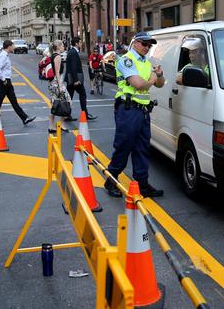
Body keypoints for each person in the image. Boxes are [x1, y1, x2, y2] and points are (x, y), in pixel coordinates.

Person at [104, 32, 165, 198]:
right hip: (128, 110)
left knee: (142, 148)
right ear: (136, 43)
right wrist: (153, 79)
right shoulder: (127, 60)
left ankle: (142, 184)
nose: (147, 47)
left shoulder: (146, 63)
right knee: (124, 145)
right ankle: (111, 179)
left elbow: (160, 84)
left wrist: (158, 75)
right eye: (145, 44)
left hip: (143, 111)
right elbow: (138, 84)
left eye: (150, 45)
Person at [0, 40, 36, 127]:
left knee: (13, 101)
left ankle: (24, 118)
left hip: (6, 81)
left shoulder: (5, 55)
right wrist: (4, 80)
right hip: (4, 81)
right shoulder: (3, 56)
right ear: (9, 46)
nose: (14, 47)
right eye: (13, 45)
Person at [65, 37, 96, 121]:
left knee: (69, 97)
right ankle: (84, 114)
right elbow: (73, 67)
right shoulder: (74, 53)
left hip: (70, 79)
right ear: (76, 43)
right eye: (80, 42)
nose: (81, 43)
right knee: (82, 94)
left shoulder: (71, 52)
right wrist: (75, 80)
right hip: (74, 79)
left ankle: (67, 114)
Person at [47, 41, 71, 134]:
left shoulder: (53, 55)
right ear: (58, 46)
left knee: (56, 104)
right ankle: (60, 124)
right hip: (57, 83)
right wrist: (60, 86)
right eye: (63, 45)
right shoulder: (57, 56)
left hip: (53, 83)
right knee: (68, 102)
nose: (64, 47)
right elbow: (57, 72)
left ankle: (51, 126)